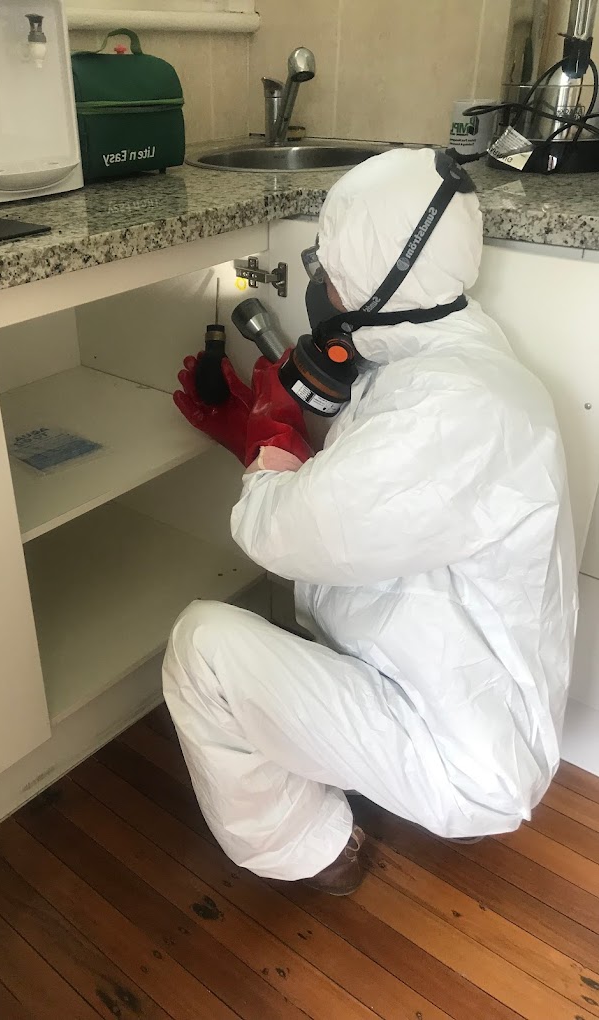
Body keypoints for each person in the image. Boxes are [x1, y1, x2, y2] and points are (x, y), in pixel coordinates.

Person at [165, 147, 577, 896]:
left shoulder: (449, 413)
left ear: (385, 274)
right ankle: (355, 762)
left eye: (333, 266)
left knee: (201, 650)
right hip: (454, 688)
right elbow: (368, 492)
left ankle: (313, 849)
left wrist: (266, 439)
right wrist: (259, 438)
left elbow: (275, 538)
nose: (323, 285)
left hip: (461, 755)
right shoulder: (454, 361)